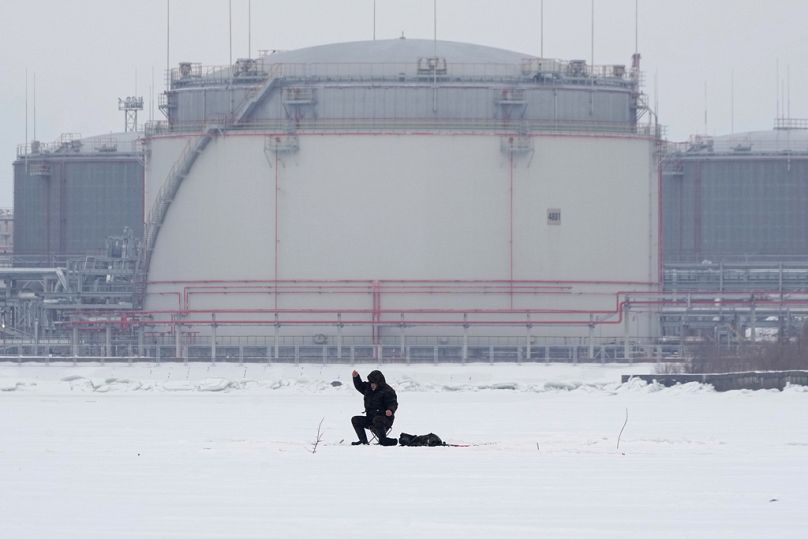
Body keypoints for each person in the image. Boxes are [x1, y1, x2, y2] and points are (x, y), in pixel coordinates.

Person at [351, 369, 398, 446]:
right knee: (355, 420)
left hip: (385, 420)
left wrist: (390, 410)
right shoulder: (368, 388)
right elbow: (359, 386)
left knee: (377, 419)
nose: (371, 384)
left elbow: (393, 403)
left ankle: (384, 440)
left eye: (374, 383)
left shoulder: (388, 391)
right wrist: (356, 377)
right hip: (370, 418)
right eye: (370, 382)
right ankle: (363, 442)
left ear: (379, 382)